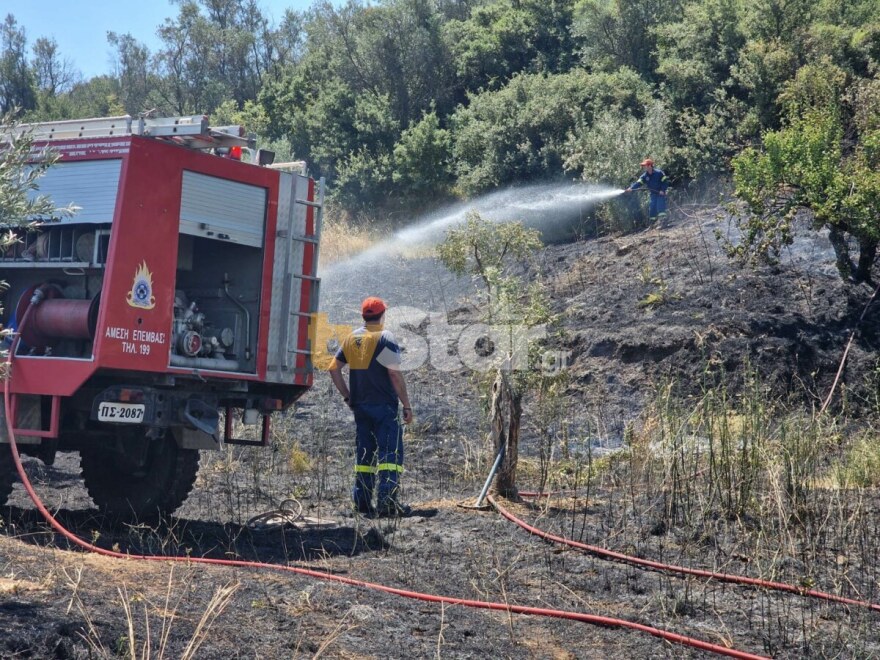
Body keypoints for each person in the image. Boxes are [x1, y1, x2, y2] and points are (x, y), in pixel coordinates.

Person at [329, 296, 414, 517]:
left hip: (361, 408)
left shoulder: (352, 338)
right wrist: (406, 405)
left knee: (365, 457)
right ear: (383, 314)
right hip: (384, 407)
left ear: (363, 316)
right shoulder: (385, 338)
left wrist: (348, 397)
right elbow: (394, 374)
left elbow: (333, 368)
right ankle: (387, 503)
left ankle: (363, 503)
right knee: (389, 456)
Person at [624, 158, 670, 228]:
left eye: (644, 165)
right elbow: (638, 183)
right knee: (652, 208)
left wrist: (663, 190)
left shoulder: (659, 173)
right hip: (653, 194)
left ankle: (663, 222)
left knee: (660, 206)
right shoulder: (644, 176)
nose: (643, 167)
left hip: (660, 193)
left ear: (649, 166)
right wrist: (631, 188)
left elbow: (665, 182)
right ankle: (652, 225)